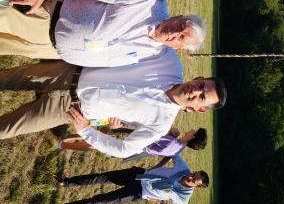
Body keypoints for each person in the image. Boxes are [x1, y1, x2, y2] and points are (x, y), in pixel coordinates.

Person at [0, 56, 227, 158]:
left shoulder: (161, 124)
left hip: (68, 108)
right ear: (198, 77)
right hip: (68, 72)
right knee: (4, 78)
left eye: (201, 97)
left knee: (6, 128)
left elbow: (124, 150)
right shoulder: (168, 61)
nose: (194, 91)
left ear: (200, 109)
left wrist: (86, 132)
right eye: (200, 85)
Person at [2, 0, 206, 65]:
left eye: (181, 38)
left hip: (51, 49)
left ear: (178, 49)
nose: (174, 33)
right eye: (180, 26)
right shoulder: (148, 0)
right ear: (178, 16)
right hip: (48, 18)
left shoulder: (153, 54)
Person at [49, 155, 207, 204]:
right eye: (195, 173)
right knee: (101, 177)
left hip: (139, 192)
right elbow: (172, 152)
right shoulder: (184, 168)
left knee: (99, 201)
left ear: (196, 187)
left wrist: (159, 203)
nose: (191, 176)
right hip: (139, 174)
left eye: (194, 180)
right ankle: (66, 182)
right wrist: (158, 165)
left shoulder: (184, 197)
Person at [60, 127, 208, 164]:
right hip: (136, 149)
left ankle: (64, 144)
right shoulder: (179, 148)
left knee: (98, 141)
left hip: (134, 142)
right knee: (100, 137)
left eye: (194, 131)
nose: (191, 130)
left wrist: (169, 132)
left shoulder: (173, 142)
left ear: (193, 136)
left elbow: (154, 134)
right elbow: (165, 157)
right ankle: (66, 139)